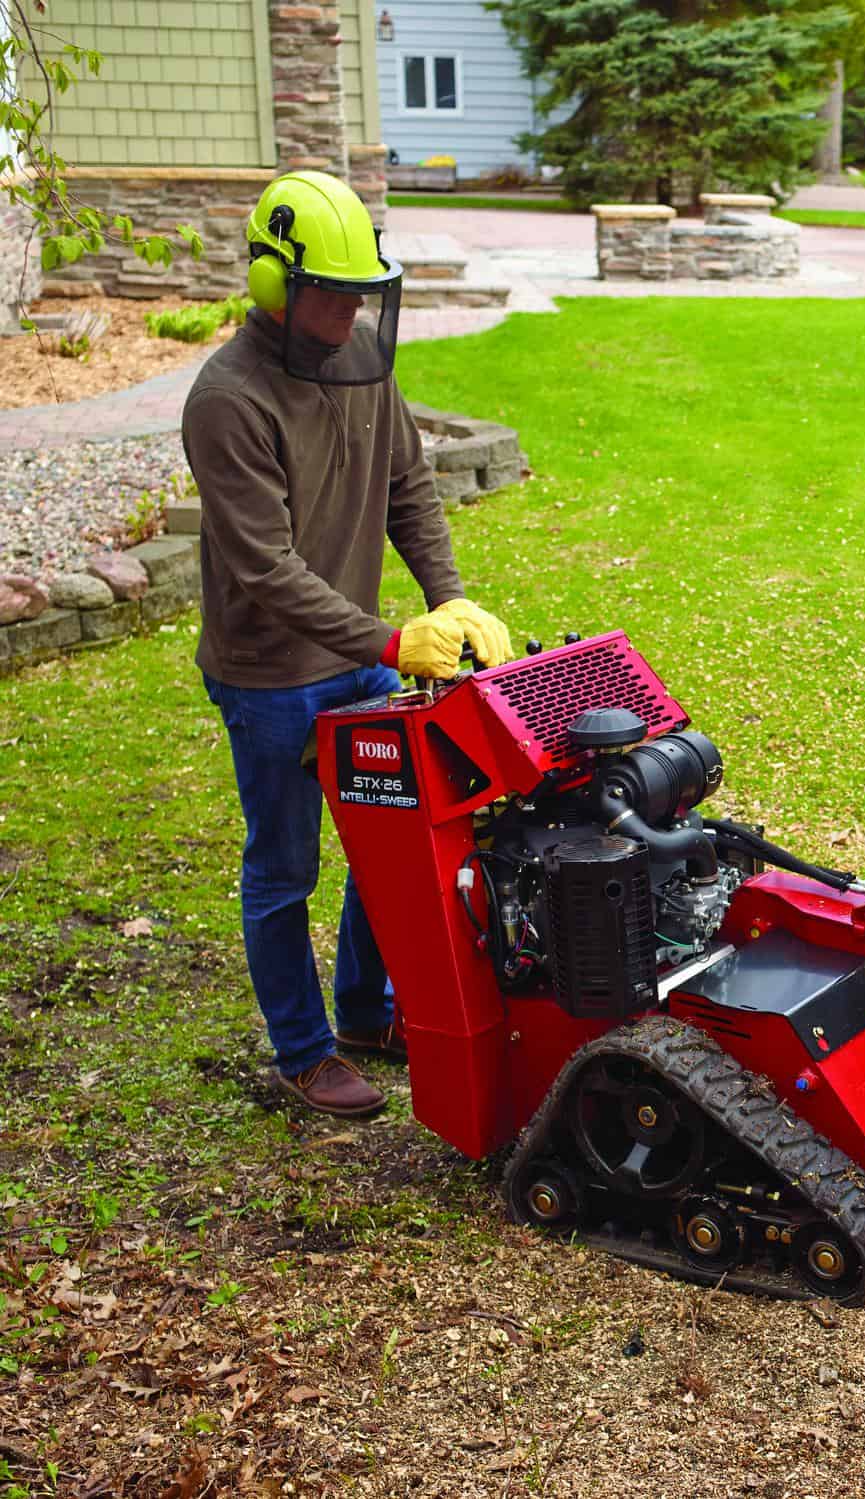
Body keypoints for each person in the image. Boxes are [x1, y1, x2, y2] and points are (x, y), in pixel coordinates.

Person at [182, 170, 515, 1119]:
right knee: (285, 867)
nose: (350, 314)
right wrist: (394, 637)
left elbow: (409, 487)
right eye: (330, 295)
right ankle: (303, 1050)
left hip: (361, 653)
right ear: (273, 286)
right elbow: (265, 568)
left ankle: (368, 1013)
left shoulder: (361, 357)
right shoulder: (227, 399)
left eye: (362, 294)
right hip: (269, 675)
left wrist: (449, 598)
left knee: (394, 837)